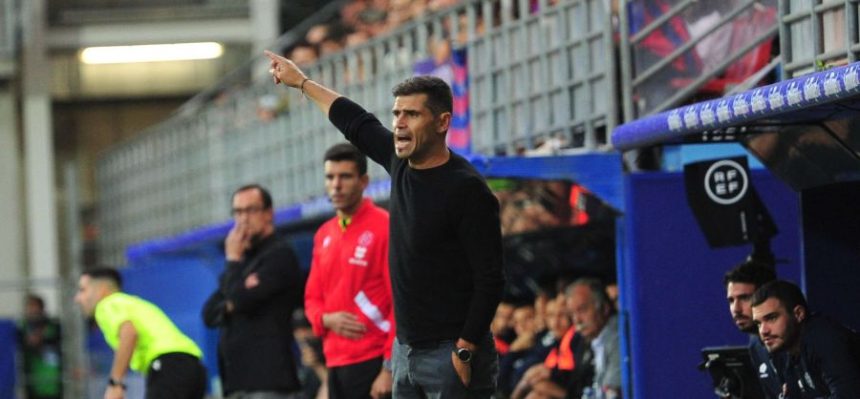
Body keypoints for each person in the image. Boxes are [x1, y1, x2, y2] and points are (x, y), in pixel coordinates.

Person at [264, 50, 506, 398]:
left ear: (442, 122)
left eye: (411, 114)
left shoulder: (467, 189)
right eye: (396, 114)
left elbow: (491, 278)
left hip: (451, 353)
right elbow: (355, 121)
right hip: (405, 352)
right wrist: (301, 82)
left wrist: (465, 349)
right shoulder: (400, 163)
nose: (399, 123)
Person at [304, 143, 394, 399]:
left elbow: (400, 302)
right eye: (330, 177)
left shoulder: (384, 226)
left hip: (375, 359)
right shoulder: (324, 234)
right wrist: (325, 319)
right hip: (335, 362)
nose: (336, 185)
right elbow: (312, 299)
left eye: (345, 176)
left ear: (363, 181)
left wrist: (388, 367)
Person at [202, 184, 304, 398]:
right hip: (235, 384)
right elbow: (209, 313)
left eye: (251, 210)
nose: (243, 218)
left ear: (269, 214)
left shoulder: (280, 255)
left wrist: (231, 263)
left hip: (269, 383)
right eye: (238, 211)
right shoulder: (243, 260)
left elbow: (239, 300)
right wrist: (234, 288)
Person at [74, 268, 206, 399]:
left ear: (102, 289)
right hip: (194, 367)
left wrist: (115, 384)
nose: (77, 298)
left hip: (169, 365)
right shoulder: (132, 303)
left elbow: (129, 333)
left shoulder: (107, 304)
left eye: (82, 290)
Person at [751, 280, 860, 398]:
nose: (763, 331)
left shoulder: (824, 338)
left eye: (771, 318)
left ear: (798, 314)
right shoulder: (785, 351)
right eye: (758, 323)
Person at [722, 261, 786, 398]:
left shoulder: (797, 340)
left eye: (744, 298)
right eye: (731, 300)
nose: (736, 309)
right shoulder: (755, 345)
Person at [566, 278, 621, 399]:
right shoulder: (587, 341)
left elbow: (612, 394)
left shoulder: (617, 335)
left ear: (604, 308)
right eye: (572, 314)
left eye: (582, 310)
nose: (577, 320)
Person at [19, 294, 62, 399]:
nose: (31, 310)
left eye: (34, 306)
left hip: (53, 381)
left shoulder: (53, 325)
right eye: (29, 307)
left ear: (41, 309)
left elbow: (55, 342)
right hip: (32, 381)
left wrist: (40, 338)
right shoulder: (24, 327)